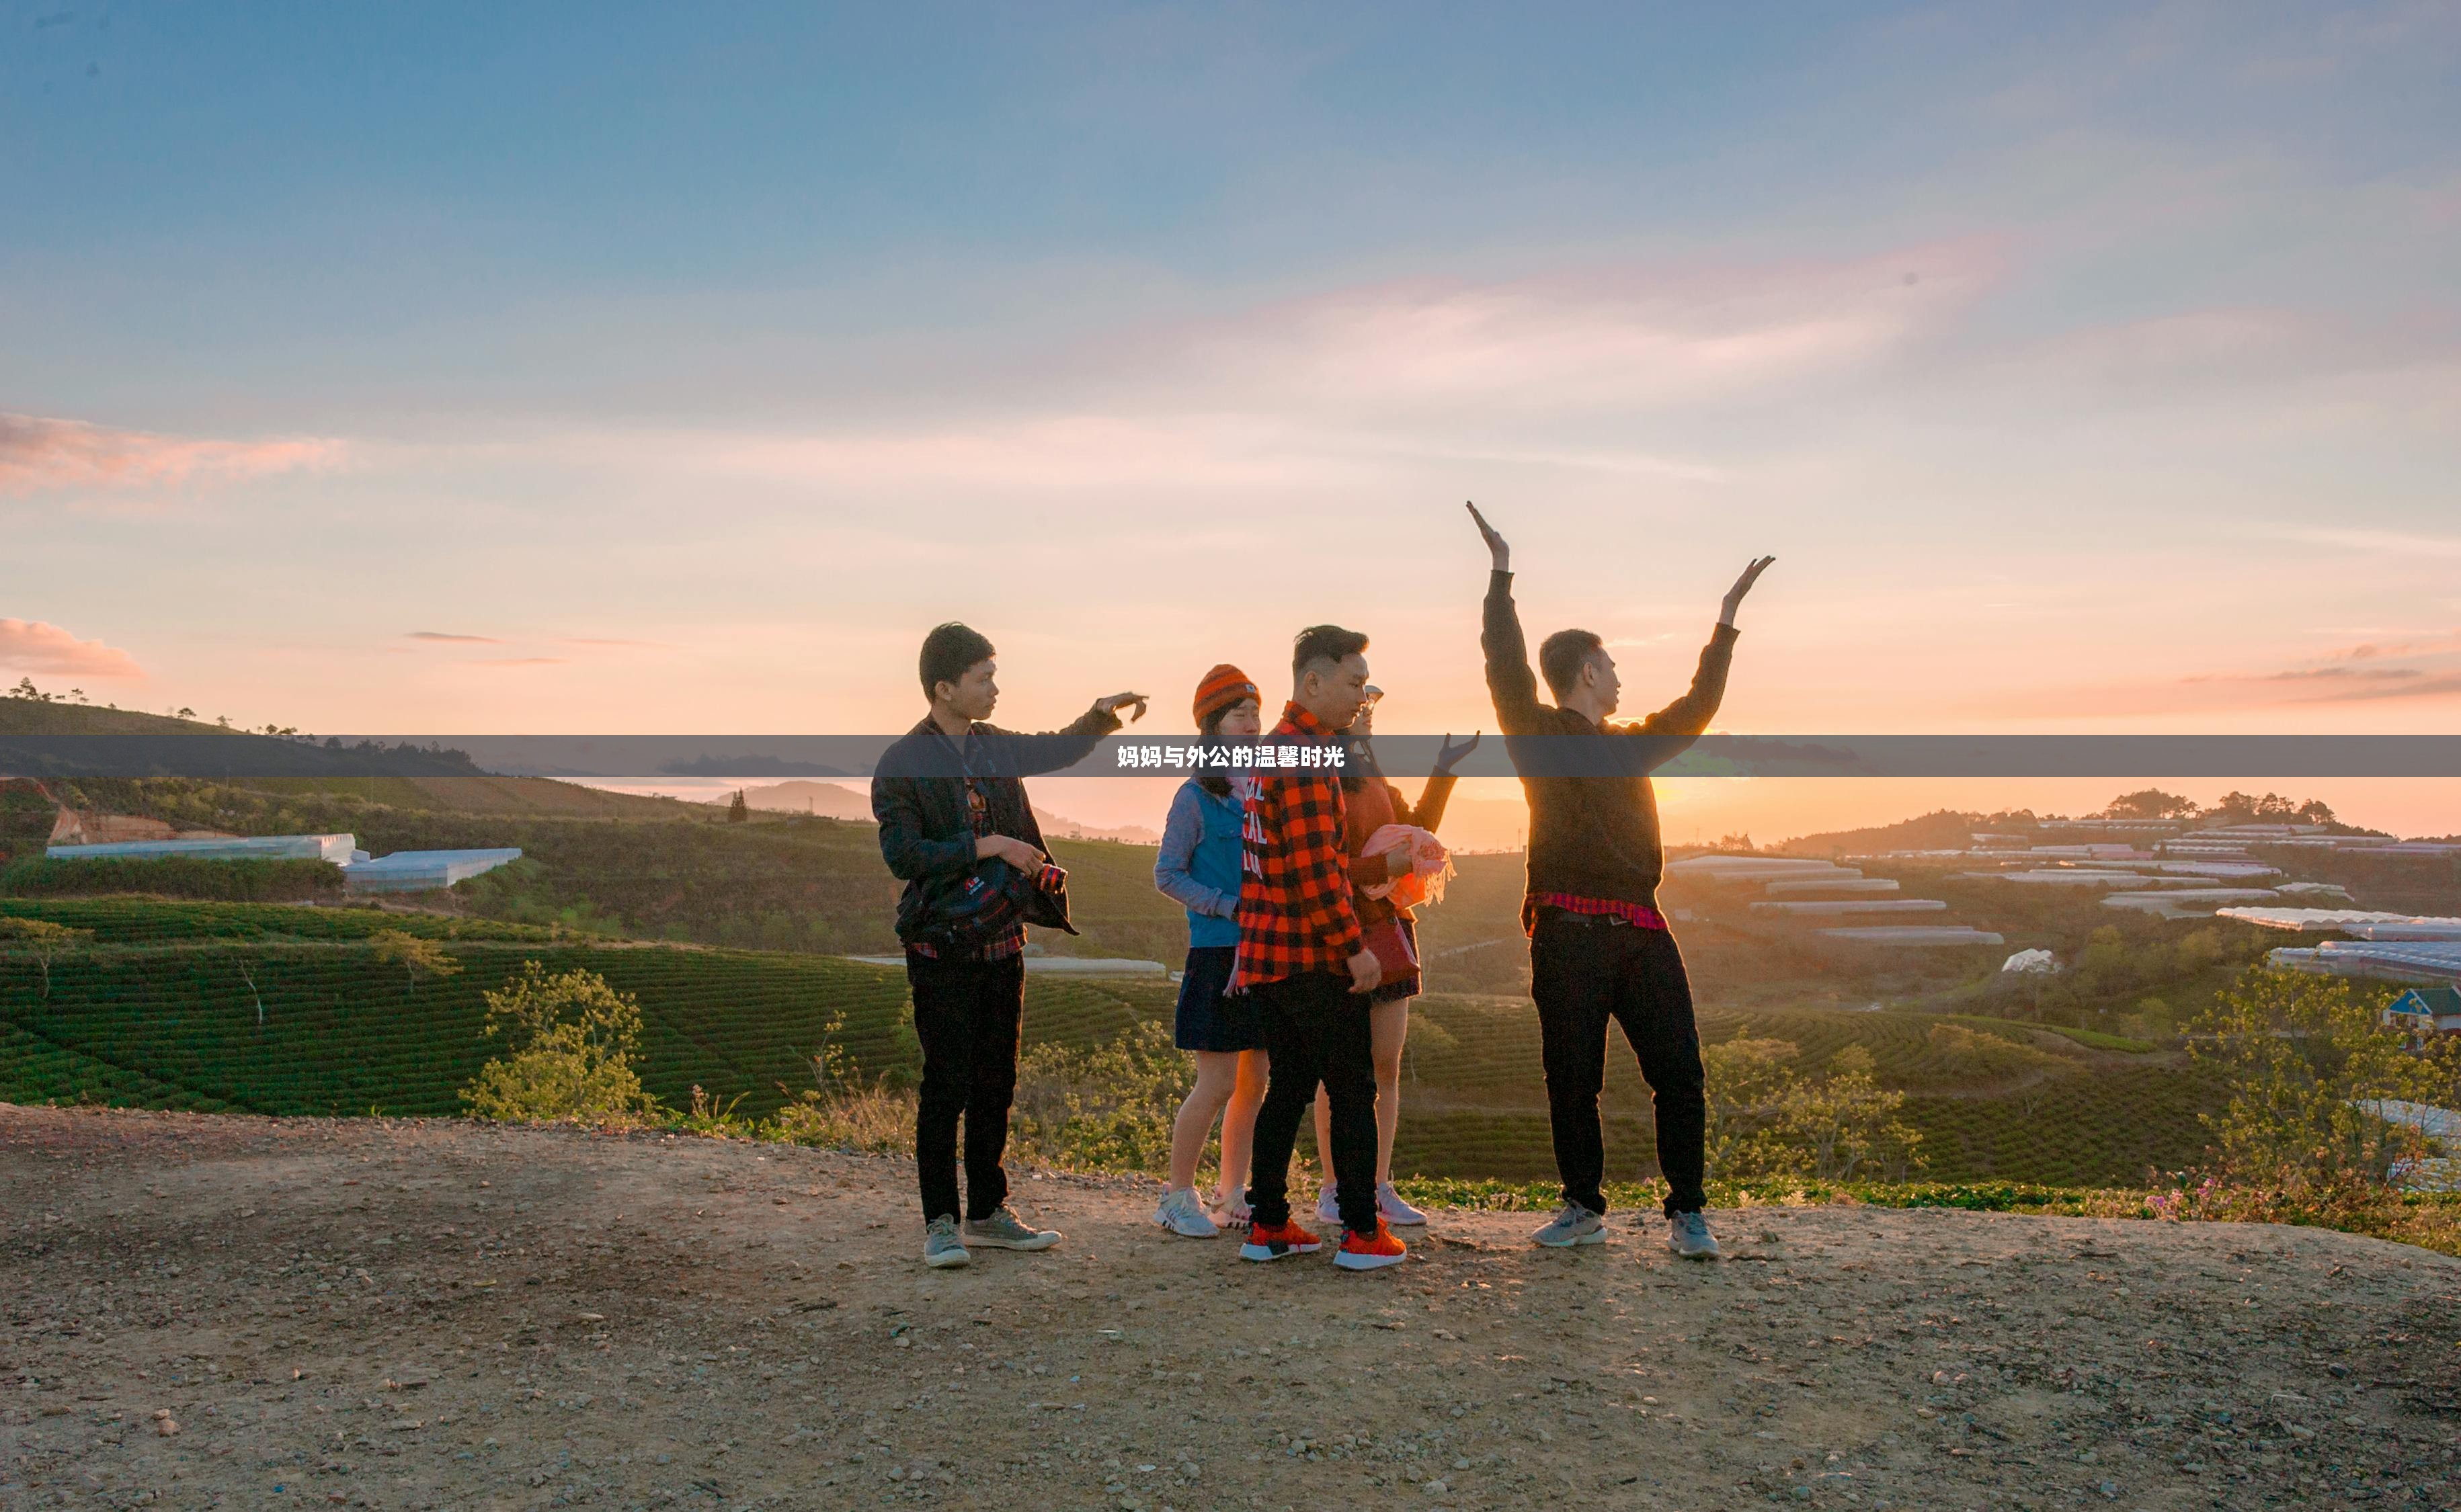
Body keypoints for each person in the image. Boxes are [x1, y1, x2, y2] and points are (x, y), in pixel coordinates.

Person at [1467, 503, 1773, 1259]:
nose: (1620, 677)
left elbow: (1699, 706)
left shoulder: (1634, 747)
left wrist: (1727, 620)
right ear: (1586, 673)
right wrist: (1501, 578)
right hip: (1567, 930)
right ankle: (1582, 1207)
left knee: (1680, 1072)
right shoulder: (1537, 735)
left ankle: (1688, 1213)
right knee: (1573, 1078)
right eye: (1611, 666)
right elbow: (1504, 667)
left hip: (1641, 925)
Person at [871, 620, 1148, 1270]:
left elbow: (1055, 750)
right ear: (945, 687)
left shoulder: (994, 746)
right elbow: (902, 853)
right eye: (983, 678)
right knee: (946, 1083)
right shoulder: (902, 763)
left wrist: (1099, 717)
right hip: (940, 944)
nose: (996, 688)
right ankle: (941, 1221)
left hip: (1002, 938)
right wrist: (991, 844)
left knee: (996, 1079)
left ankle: (989, 1212)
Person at [1232, 625, 1406, 1272]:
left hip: (1268, 954)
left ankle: (1269, 1223)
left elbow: (1301, 861)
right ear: (1313, 681)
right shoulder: (1303, 757)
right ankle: (1361, 1233)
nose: (1362, 696)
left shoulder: (1278, 751)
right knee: (1353, 1089)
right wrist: (1353, 947)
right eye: (1354, 683)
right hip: (1308, 956)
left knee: (1288, 1087)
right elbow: (1314, 872)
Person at [1308, 689, 1478, 1230]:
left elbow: (1417, 829)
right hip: (1337, 932)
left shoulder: (1378, 780)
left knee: (1385, 1066)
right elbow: (1323, 866)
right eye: (1358, 707)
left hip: (1388, 930)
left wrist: (1443, 770)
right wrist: (1380, 866)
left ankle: (1380, 1185)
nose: (1365, 716)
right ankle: (1334, 1188)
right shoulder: (1319, 780)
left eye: (1370, 709)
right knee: (1336, 1071)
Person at [1150, 665, 1271, 1238]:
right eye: (1238, 715)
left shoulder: (1263, 792)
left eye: (1255, 713)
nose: (1251, 724)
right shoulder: (1195, 797)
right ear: (1211, 725)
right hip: (1218, 954)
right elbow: (1167, 874)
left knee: (1255, 1082)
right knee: (1217, 1083)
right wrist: (1226, 905)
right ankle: (1177, 1197)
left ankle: (1233, 1193)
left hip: (1264, 953)